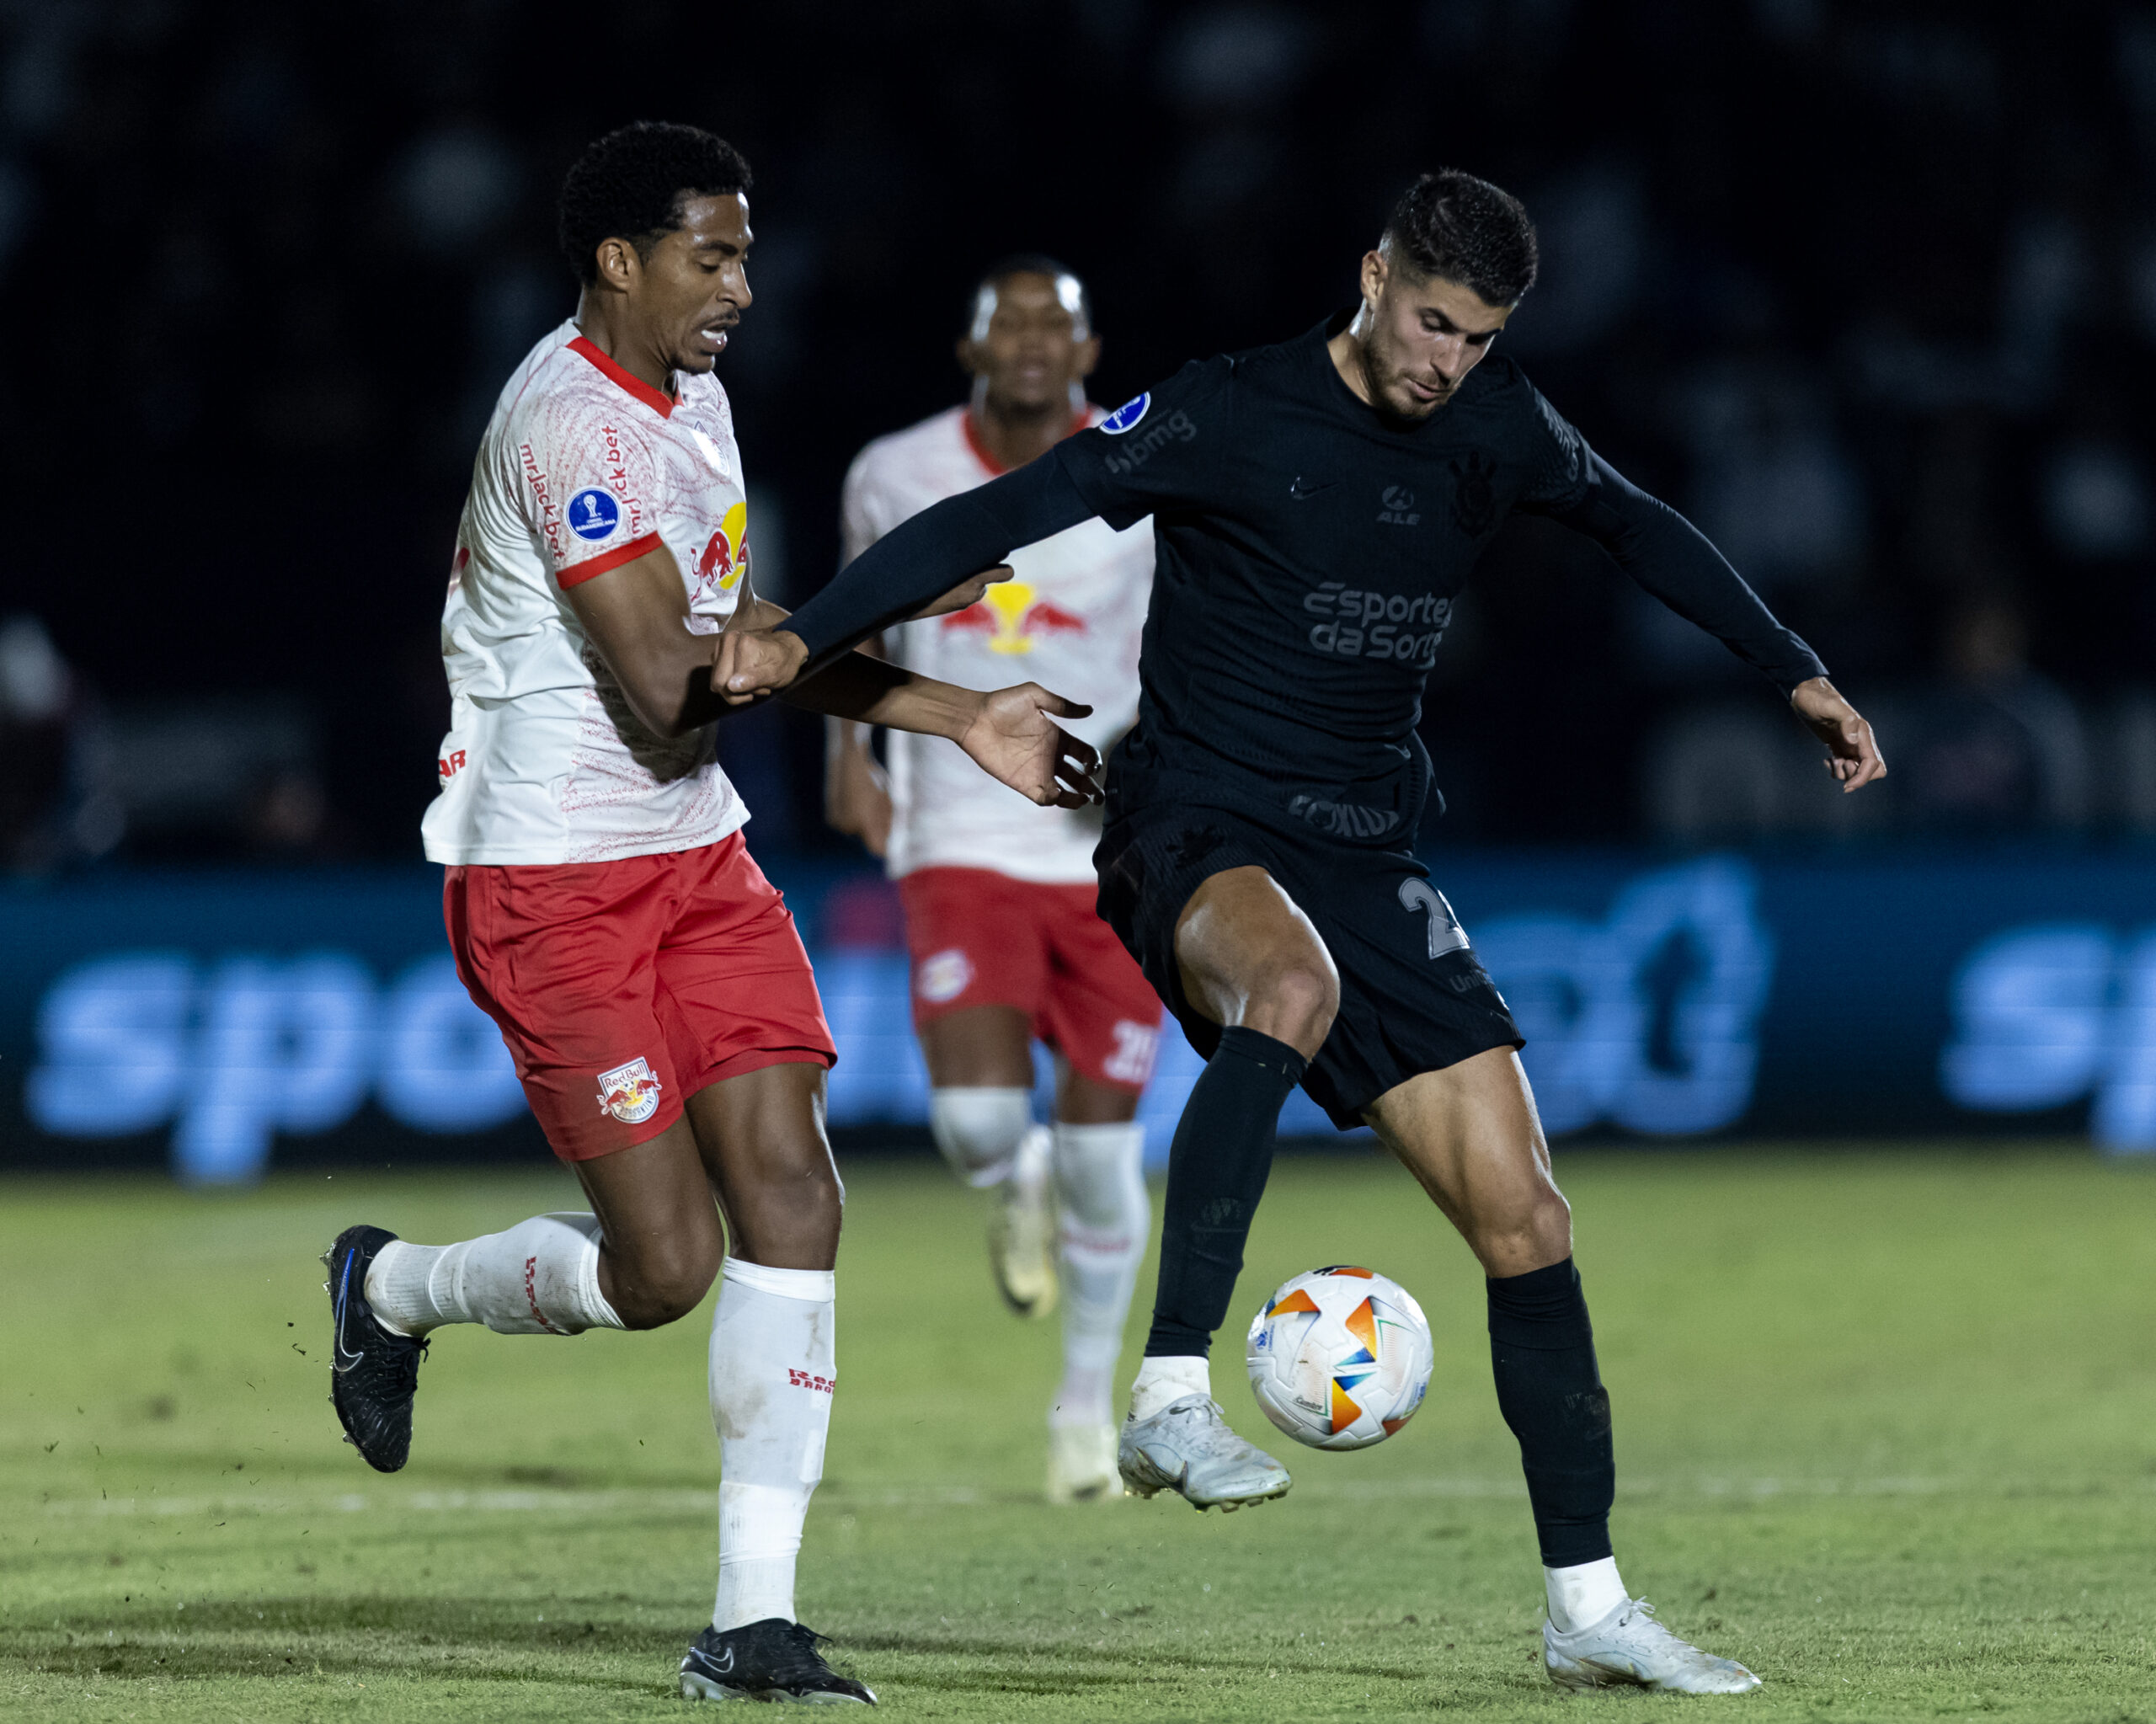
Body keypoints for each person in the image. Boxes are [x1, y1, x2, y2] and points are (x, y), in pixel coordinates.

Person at [710, 169, 1890, 1695]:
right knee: (1289, 984)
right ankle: (1171, 1392)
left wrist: (1789, 666)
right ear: (1373, 276)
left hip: (1366, 844)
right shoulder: (1222, 411)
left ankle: (1588, 1612)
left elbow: (1636, 525)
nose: (1444, 362)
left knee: (1528, 1219)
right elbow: (1007, 508)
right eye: (1430, 323)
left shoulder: (1496, 424)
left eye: (1475, 339)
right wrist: (811, 631)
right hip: (1192, 824)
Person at [319, 122, 1099, 1708]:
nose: (743, 284)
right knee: (661, 1269)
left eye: (746, 254)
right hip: (549, 880)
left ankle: (754, 1624)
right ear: (618, 257)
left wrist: (950, 708)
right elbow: (680, 678)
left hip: (697, 856)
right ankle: (392, 1286)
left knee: (796, 1206)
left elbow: (743, 640)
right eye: (714, 254)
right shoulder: (566, 428)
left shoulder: (697, 399)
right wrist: (885, 615)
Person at [827, 257, 1160, 1502]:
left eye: (1052, 324)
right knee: (977, 1125)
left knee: (1104, 1143)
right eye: (1005, 323)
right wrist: (849, 750)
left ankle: (1084, 1413)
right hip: (957, 825)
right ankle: (1006, 1180)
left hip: (1109, 845)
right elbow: (850, 618)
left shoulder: (1144, 469)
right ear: (970, 350)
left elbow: (1195, 626)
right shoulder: (892, 471)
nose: (1029, 341)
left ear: (1086, 352)